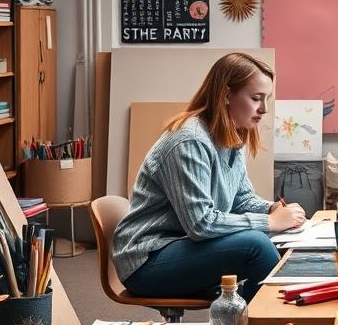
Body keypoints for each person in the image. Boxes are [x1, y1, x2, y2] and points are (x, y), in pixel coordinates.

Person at [112, 52, 307, 304]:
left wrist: (273, 209)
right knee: (257, 245)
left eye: (266, 99)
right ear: (226, 95)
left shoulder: (231, 135)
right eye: (256, 98)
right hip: (146, 260)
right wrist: (269, 222)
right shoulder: (189, 140)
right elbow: (201, 223)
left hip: (179, 246)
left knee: (281, 246)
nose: (264, 109)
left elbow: (241, 198)